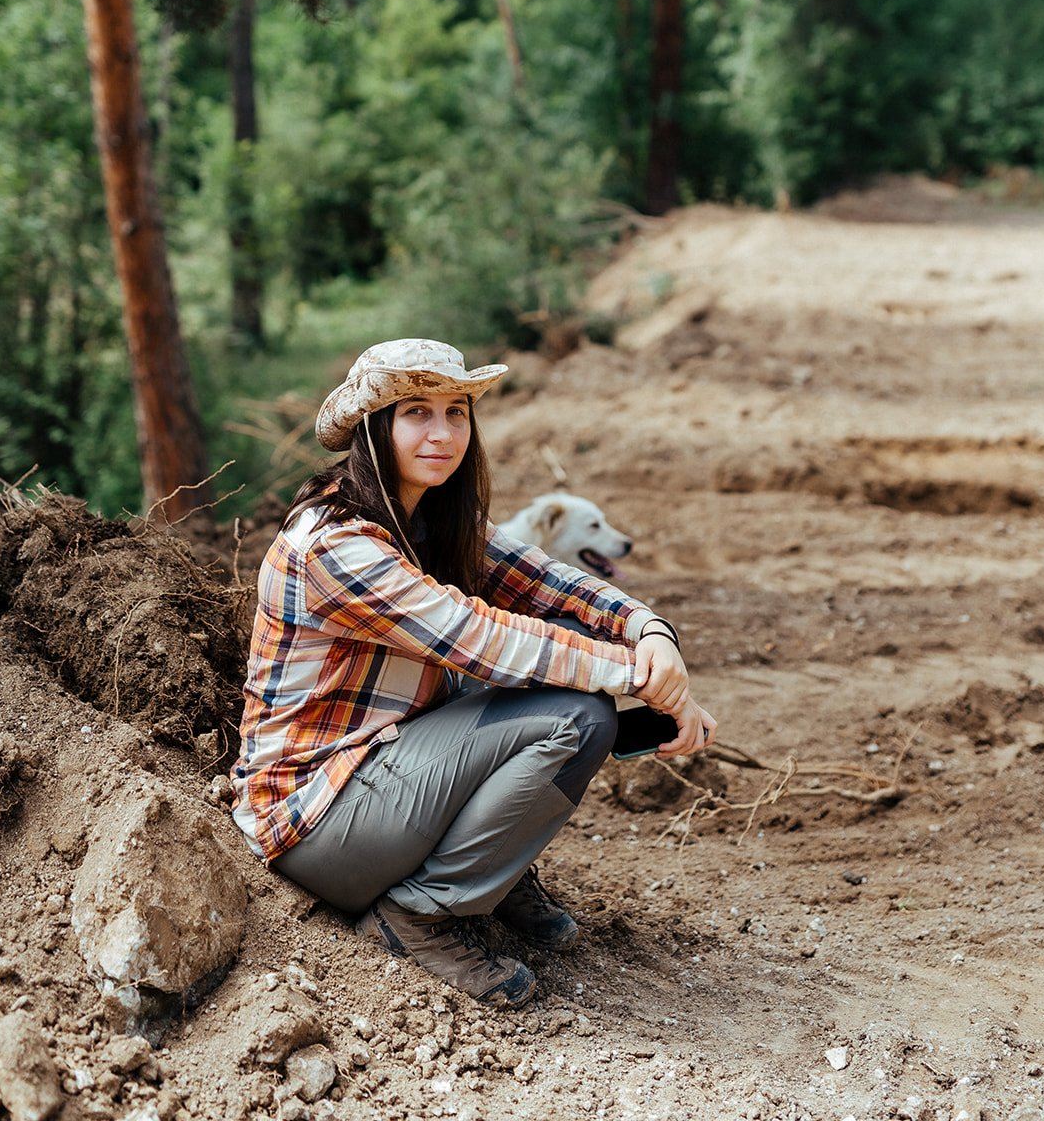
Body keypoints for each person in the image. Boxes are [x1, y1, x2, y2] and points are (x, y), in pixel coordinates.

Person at [231, 338, 717, 1008]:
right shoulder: (334, 544)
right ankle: (416, 916)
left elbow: (547, 583)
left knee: (575, 641)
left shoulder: (428, 518)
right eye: (417, 413)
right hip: (317, 821)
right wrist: (643, 680)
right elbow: (482, 640)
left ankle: (491, 867)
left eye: (457, 412)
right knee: (578, 714)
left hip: (389, 772)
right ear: (375, 430)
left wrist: (649, 631)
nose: (443, 432)